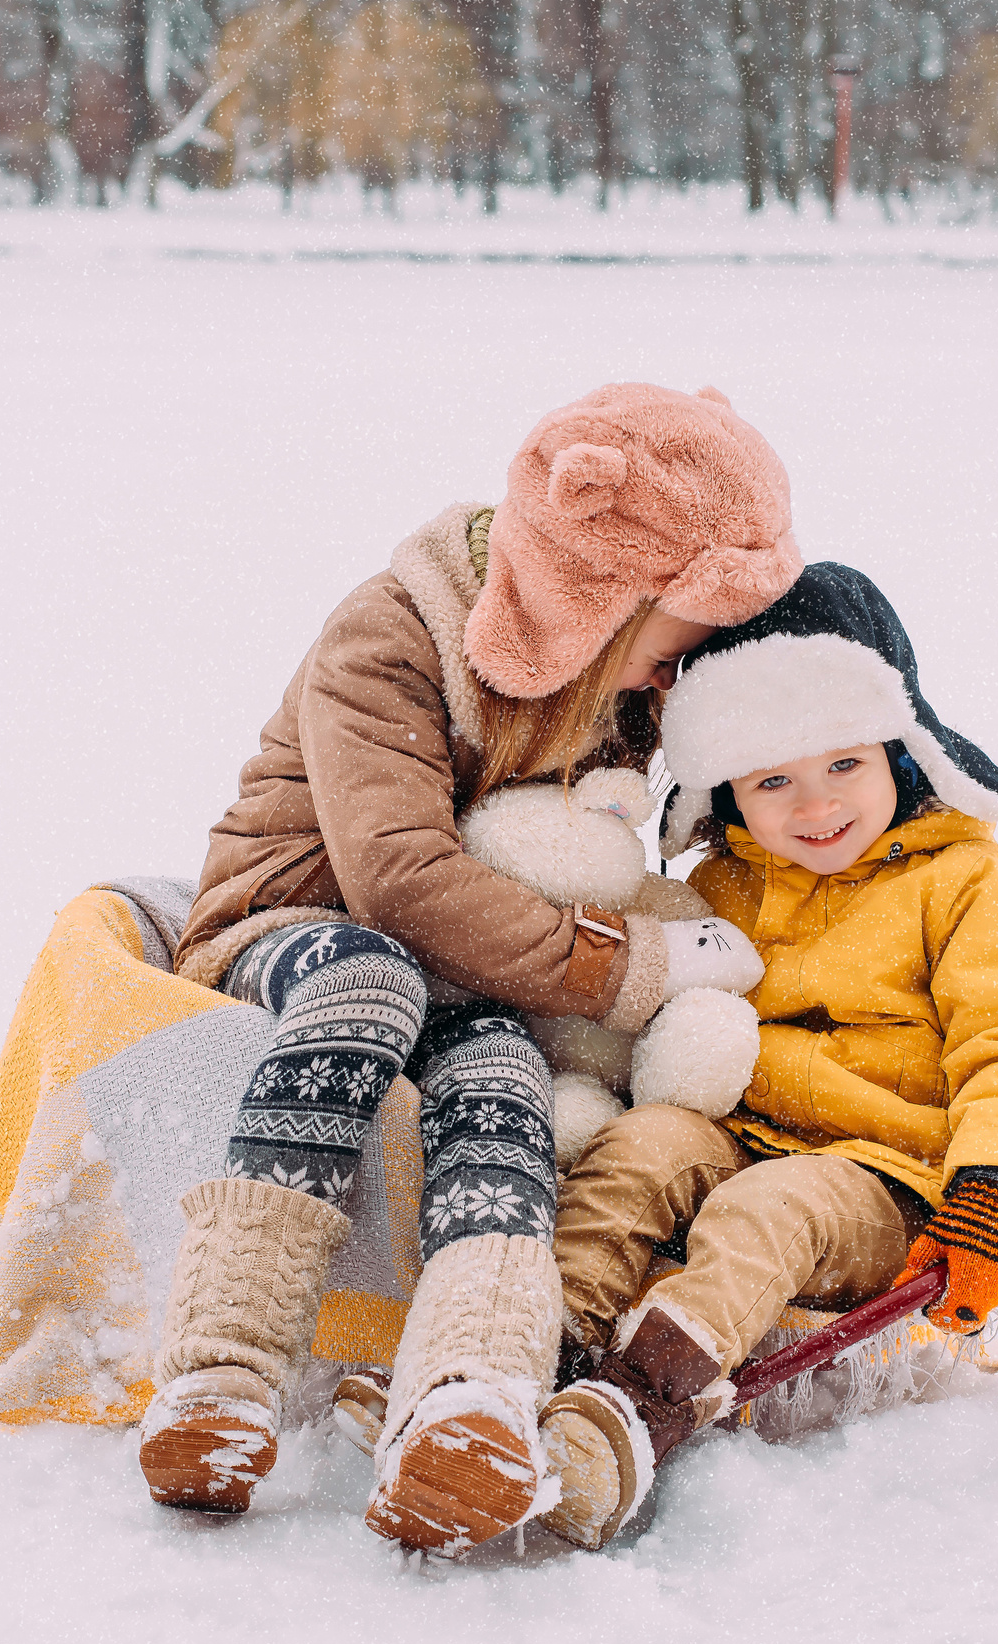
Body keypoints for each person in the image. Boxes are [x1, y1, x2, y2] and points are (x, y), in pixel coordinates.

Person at [139, 382, 803, 1557]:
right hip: (298, 922)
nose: (676, 674)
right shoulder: (393, 634)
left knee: (501, 1082)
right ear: (596, 589)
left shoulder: (616, 685)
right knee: (374, 978)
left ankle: (472, 1392)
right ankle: (223, 1370)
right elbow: (398, 877)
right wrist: (621, 969)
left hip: (476, 984)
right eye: (675, 639)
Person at [537, 561, 998, 1550]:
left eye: (843, 763)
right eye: (773, 779)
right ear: (731, 792)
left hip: (887, 1178)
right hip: (740, 1132)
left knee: (765, 1210)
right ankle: (529, 1355)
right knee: (645, 1144)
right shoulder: (725, 880)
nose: (814, 803)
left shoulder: (973, 884)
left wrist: (997, 1190)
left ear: (900, 749)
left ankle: (633, 1404)